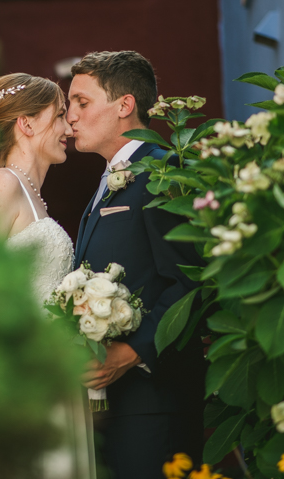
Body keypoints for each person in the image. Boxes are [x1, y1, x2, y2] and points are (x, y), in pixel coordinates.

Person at [67, 51, 205, 479]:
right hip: (119, 406)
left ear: (125, 105)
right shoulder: (110, 178)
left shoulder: (164, 171)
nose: (69, 116)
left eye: (81, 102)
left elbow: (193, 280)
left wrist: (129, 352)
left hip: (156, 404)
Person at [0, 73, 96, 479]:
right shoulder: (2, 185)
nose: (68, 126)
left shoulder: (32, 195)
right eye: (59, 115)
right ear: (25, 124)